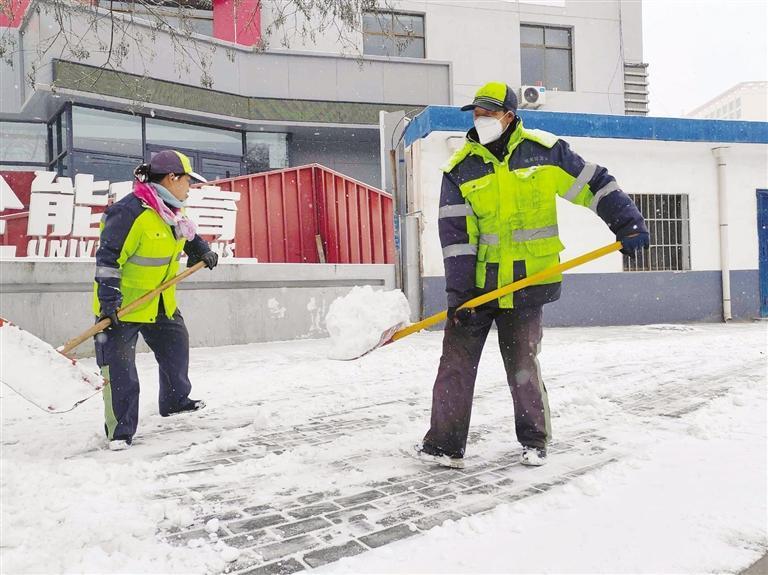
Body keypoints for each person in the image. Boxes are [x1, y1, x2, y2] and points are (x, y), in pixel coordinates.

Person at [415, 82, 649, 469]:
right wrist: (459, 297)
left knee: (523, 365)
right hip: (479, 288)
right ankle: (444, 446)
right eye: (477, 113)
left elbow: (594, 183)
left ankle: (534, 442)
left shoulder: (544, 153)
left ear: (509, 115)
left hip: (528, 285)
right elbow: (455, 239)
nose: (481, 119)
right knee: (455, 365)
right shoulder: (460, 169)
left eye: (489, 113)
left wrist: (628, 224)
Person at [93, 150, 219, 451]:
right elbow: (108, 259)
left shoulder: (171, 209)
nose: (190, 187)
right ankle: (120, 432)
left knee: (176, 348)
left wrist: (200, 249)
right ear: (172, 178)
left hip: (161, 301)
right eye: (188, 180)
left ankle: (175, 401)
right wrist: (109, 299)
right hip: (124, 305)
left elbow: (185, 234)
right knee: (120, 369)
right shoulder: (129, 212)